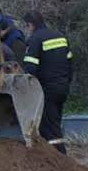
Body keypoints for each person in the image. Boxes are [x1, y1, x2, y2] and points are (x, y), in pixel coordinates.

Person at [22, 10, 73, 154]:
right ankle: (57, 154)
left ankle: (58, 156)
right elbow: (70, 62)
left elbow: (30, 68)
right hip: (62, 87)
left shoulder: (35, 39)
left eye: (27, 26)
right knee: (55, 121)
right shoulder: (60, 36)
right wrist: (67, 81)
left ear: (30, 25)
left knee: (48, 126)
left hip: (47, 89)